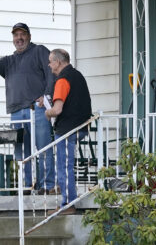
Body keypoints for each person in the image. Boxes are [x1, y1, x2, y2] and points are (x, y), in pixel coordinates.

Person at [0, 23, 56, 193]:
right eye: (16, 35)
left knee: (43, 148)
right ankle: (27, 185)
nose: (19, 38)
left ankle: (47, 186)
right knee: (22, 152)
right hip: (16, 112)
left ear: (29, 36)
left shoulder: (39, 51)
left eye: (22, 34)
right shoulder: (9, 61)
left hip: (38, 109)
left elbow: (52, 72)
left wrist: (47, 95)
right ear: (13, 39)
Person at [45, 48, 92, 214]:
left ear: (58, 62)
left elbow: (57, 109)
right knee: (67, 165)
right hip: (81, 125)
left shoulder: (62, 79)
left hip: (67, 129)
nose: (50, 66)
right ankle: (68, 201)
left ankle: (67, 204)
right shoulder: (77, 75)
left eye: (51, 62)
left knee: (64, 166)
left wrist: (46, 111)